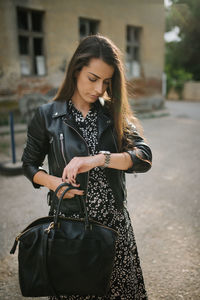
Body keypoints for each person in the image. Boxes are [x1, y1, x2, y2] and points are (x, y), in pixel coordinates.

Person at [22, 34, 152, 300]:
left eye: (106, 82)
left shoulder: (113, 112)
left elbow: (143, 157)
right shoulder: (47, 115)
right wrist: (52, 183)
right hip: (68, 227)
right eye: (93, 79)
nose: (99, 89)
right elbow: (29, 164)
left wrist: (98, 158)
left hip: (113, 226)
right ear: (76, 70)